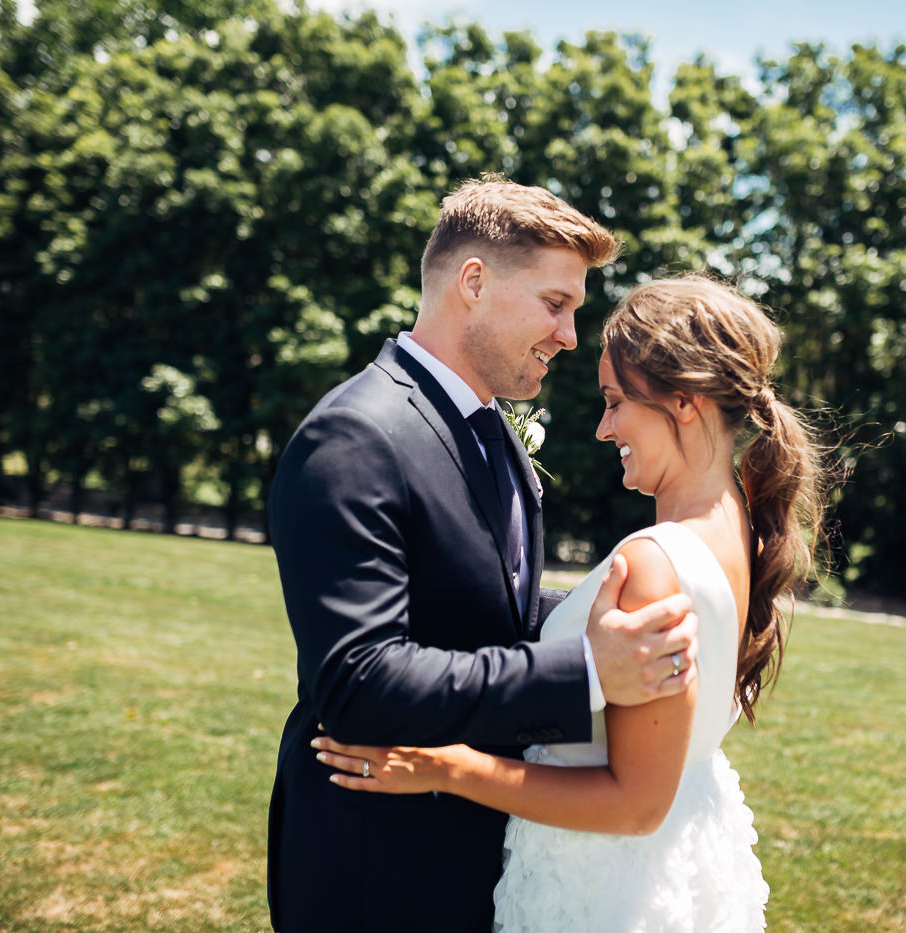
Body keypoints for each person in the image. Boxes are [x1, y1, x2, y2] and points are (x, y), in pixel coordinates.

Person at [314, 275, 827, 931]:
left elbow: (634, 802)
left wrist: (449, 766)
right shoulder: (740, 526)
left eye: (616, 402)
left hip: (601, 888)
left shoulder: (654, 562)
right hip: (663, 866)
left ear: (685, 401)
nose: (603, 427)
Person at [266, 179, 700, 932]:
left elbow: (489, 601)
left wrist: (616, 615)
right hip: (375, 873)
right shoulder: (356, 436)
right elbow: (357, 680)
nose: (570, 335)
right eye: (556, 304)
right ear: (474, 282)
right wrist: (588, 668)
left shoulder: (493, 427)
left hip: (474, 860)